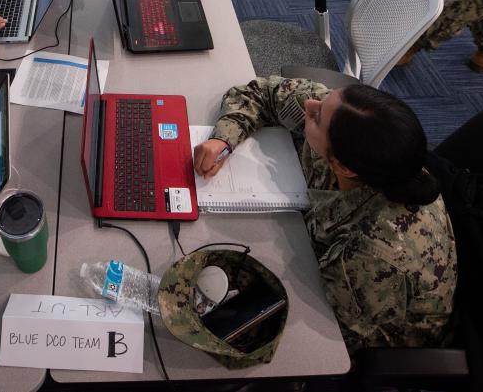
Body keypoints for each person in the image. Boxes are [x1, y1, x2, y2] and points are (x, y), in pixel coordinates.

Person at [193, 77, 457, 353]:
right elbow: (263, 93)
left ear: (342, 167)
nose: (310, 104)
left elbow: (327, 333)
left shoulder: (376, 252)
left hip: (363, 331)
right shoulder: (345, 119)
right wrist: (222, 139)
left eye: (317, 117)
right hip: (311, 247)